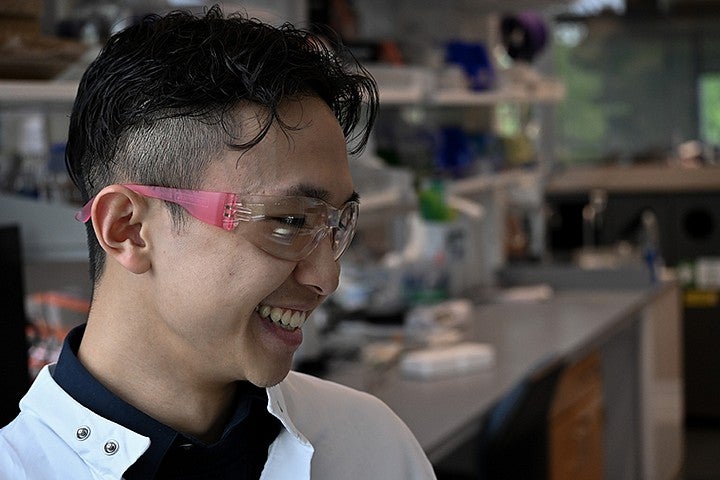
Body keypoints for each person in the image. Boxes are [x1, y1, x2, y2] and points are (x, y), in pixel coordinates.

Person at [0, 6, 436, 479]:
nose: (327, 277)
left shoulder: (371, 443)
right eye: (289, 220)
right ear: (127, 228)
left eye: (336, 224)